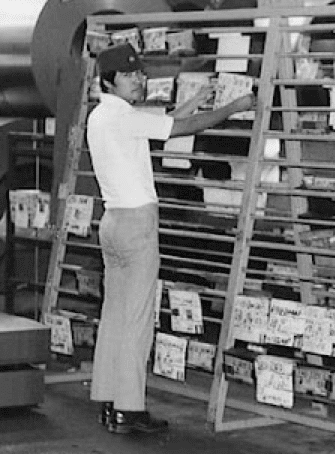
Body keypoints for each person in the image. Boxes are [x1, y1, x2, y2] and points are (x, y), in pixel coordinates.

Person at [87, 43, 255, 434]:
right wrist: (233, 107)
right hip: (137, 225)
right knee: (138, 319)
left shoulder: (103, 116)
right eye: (130, 76)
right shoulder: (123, 117)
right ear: (109, 81)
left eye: (140, 74)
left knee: (114, 315)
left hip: (112, 222)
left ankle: (110, 400)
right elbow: (179, 129)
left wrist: (196, 99)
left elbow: (161, 125)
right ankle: (130, 409)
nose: (139, 81)